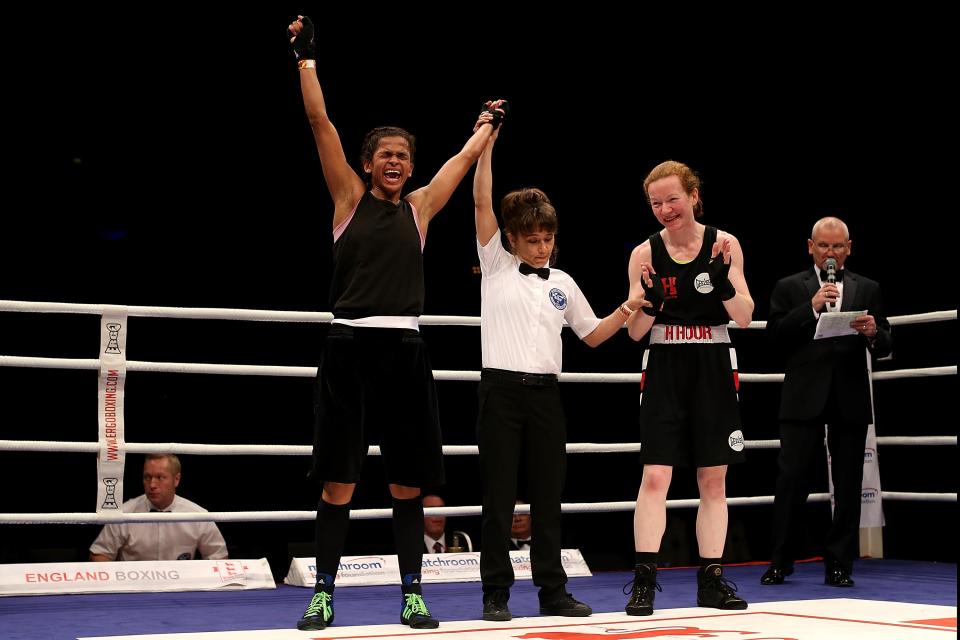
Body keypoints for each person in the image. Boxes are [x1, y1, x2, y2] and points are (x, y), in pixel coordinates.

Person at [285, 16, 500, 632]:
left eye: (403, 156)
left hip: (404, 349)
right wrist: (306, 61)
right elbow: (320, 123)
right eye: (386, 155)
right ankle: (323, 593)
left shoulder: (422, 207)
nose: (396, 162)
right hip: (349, 347)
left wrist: (486, 126)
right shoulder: (349, 200)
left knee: (409, 483)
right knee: (339, 481)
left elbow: (462, 160)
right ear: (368, 162)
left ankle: (412, 594)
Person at [473, 106, 646, 622]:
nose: (543, 246)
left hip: (547, 396)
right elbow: (482, 197)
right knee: (499, 500)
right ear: (511, 238)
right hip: (500, 394)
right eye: (533, 238)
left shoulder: (563, 281)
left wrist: (631, 305)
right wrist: (487, 140)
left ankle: (553, 592)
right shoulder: (495, 263)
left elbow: (592, 335)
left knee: (549, 499)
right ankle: (495, 595)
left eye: (548, 238)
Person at [622, 160, 754, 616]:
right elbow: (635, 331)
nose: (665, 209)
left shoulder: (724, 244)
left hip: (714, 363)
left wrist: (721, 286)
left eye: (672, 199)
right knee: (656, 476)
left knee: (713, 479)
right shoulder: (643, 253)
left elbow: (743, 315)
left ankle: (712, 581)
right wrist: (652, 304)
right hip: (664, 364)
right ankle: (644, 582)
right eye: (656, 203)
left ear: (694, 195)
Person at [761, 216, 891, 588]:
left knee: (848, 483)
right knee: (792, 479)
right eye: (823, 246)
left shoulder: (868, 287)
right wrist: (811, 307)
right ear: (810, 247)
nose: (829, 253)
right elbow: (773, 337)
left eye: (837, 246)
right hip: (803, 397)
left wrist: (872, 333)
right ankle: (780, 561)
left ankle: (839, 563)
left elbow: (886, 343)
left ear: (848, 248)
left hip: (848, 395)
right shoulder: (790, 287)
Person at [89, 454, 227, 562]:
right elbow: (100, 554)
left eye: (160, 477)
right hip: (134, 590)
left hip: (181, 590)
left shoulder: (197, 515)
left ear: (176, 479)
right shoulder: (125, 513)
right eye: (147, 477)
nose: (152, 485)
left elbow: (218, 557)